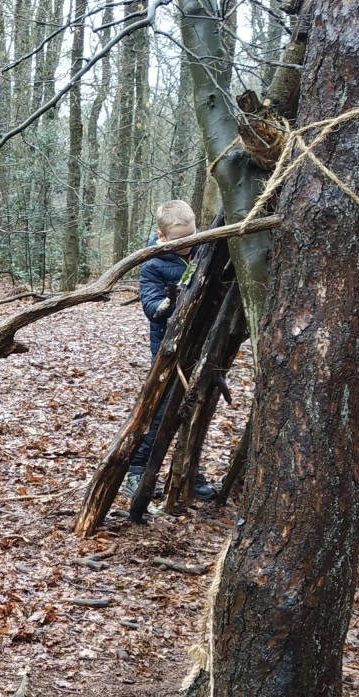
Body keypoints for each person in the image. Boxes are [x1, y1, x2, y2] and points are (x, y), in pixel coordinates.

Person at [123, 200, 217, 503]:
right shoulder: (153, 264)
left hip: (202, 346)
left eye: (193, 234)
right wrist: (174, 300)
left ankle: (190, 472)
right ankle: (136, 469)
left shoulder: (205, 249)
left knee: (194, 409)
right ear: (163, 237)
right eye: (181, 239)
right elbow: (152, 309)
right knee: (163, 410)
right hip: (170, 350)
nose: (189, 242)